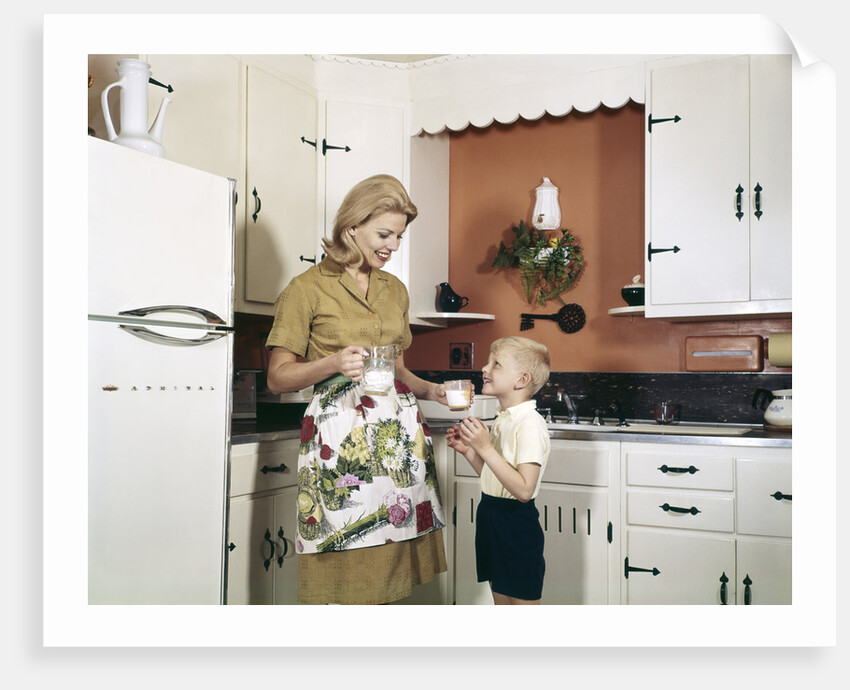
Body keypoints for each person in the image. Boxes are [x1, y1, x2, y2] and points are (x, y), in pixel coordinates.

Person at [265, 174, 448, 605]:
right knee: (347, 548)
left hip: (397, 437)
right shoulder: (306, 289)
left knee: (394, 559)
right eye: (384, 234)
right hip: (342, 438)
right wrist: (331, 363)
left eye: (399, 236)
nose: (393, 246)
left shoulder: (394, 290)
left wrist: (430, 391)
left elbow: (399, 367)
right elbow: (277, 377)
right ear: (351, 227)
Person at [447, 336, 551, 605]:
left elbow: (524, 490)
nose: (484, 368)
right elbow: (497, 477)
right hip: (490, 516)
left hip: (516, 524)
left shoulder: (529, 423)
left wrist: (485, 447)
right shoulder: (503, 418)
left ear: (521, 380)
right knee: (501, 602)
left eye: (496, 364)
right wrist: (470, 450)